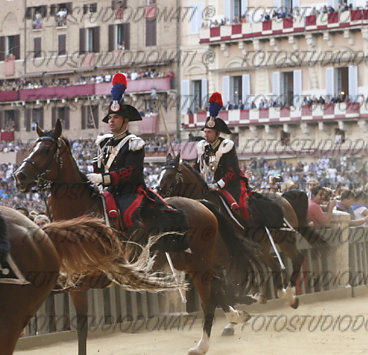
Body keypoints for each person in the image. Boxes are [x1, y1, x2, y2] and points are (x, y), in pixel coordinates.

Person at [87, 73, 184, 244]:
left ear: (125, 121)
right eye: (109, 118)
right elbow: (101, 170)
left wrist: (103, 178)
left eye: (115, 118)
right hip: (108, 192)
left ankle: (138, 248)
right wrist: (97, 170)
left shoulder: (134, 143)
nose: (111, 121)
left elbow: (130, 173)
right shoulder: (104, 143)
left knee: (128, 217)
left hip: (130, 192)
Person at [196, 92, 250, 220]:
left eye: (209, 132)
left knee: (242, 206)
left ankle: (247, 227)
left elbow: (232, 171)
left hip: (232, 184)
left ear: (217, 133)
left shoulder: (227, 146)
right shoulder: (203, 147)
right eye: (205, 132)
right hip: (212, 185)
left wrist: (218, 184)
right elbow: (198, 168)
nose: (206, 135)